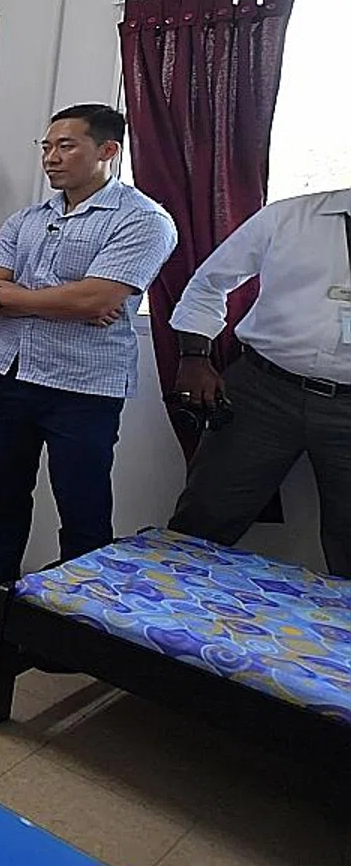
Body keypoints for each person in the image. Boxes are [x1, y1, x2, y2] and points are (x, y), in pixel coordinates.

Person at [0, 105, 176, 619]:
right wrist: (67, 300)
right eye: (46, 147)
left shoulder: (144, 220)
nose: (52, 157)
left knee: (82, 506)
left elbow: (96, 299)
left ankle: (76, 615)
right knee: (4, 495)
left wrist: (17, 296)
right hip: (8, 374)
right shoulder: (28, 218)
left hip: (83, 388)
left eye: (66, 146)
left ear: (108, 151)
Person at [166, 187, 351, 576]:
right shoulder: (289, 217)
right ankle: (152, 626)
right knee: (204, 518)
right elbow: (208, 283)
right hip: (264, 392)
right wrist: (195, 357)